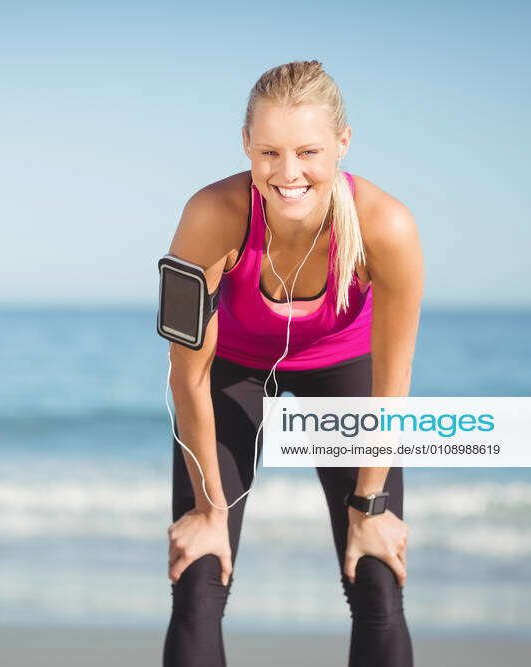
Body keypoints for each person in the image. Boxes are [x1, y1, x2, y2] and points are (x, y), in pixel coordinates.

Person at [162, 60, 424, 667]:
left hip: (342, 365)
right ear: (247, 148)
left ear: (342, 145)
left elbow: (394, 382)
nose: (288, 173)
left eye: (308, 151)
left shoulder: (388, 226)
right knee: (199, 572)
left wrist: (371, 508)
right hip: (232, 366)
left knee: (377, 572)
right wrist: (208, 510)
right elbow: (188, 373)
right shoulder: (210, 215)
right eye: (269, 152)